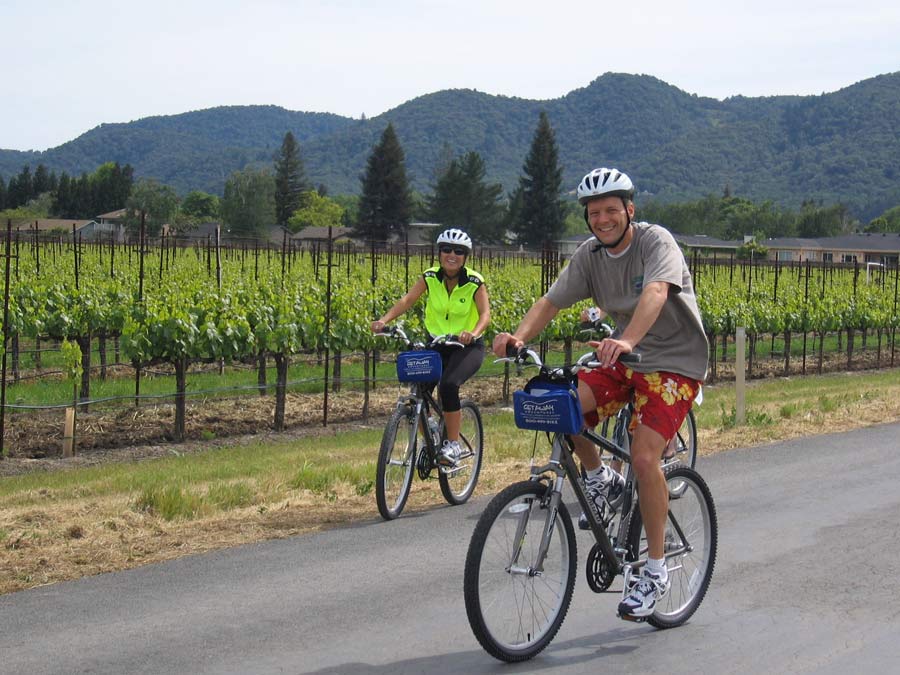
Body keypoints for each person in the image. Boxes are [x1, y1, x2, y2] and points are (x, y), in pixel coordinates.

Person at [493, 168, 708, 620]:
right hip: (622, 358)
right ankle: (599, 479)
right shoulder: (590, 256)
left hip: (675, 361)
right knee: (560, 405)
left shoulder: (655, 242)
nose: (603, 219)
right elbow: (550, 302)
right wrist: (518, 338)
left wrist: (628, 338)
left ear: (630, 210)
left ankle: (653, 571)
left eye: (612, 210)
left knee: (646, 458)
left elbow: (655, 292)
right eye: (595, 212)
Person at [372, 228, 490, 468]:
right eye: (446, 250)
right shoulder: (430, 277)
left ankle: (453, 444)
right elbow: (408, 300)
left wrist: (473, 333)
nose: (452, 255)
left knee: (448, 385)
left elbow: (485, 314)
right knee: (419, 387)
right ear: (439, 253)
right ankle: (431, 430)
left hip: (466, 346)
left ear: (465, 256)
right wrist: (384, 320)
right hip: (436, 342)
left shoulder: (474, 282)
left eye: (458, 251)